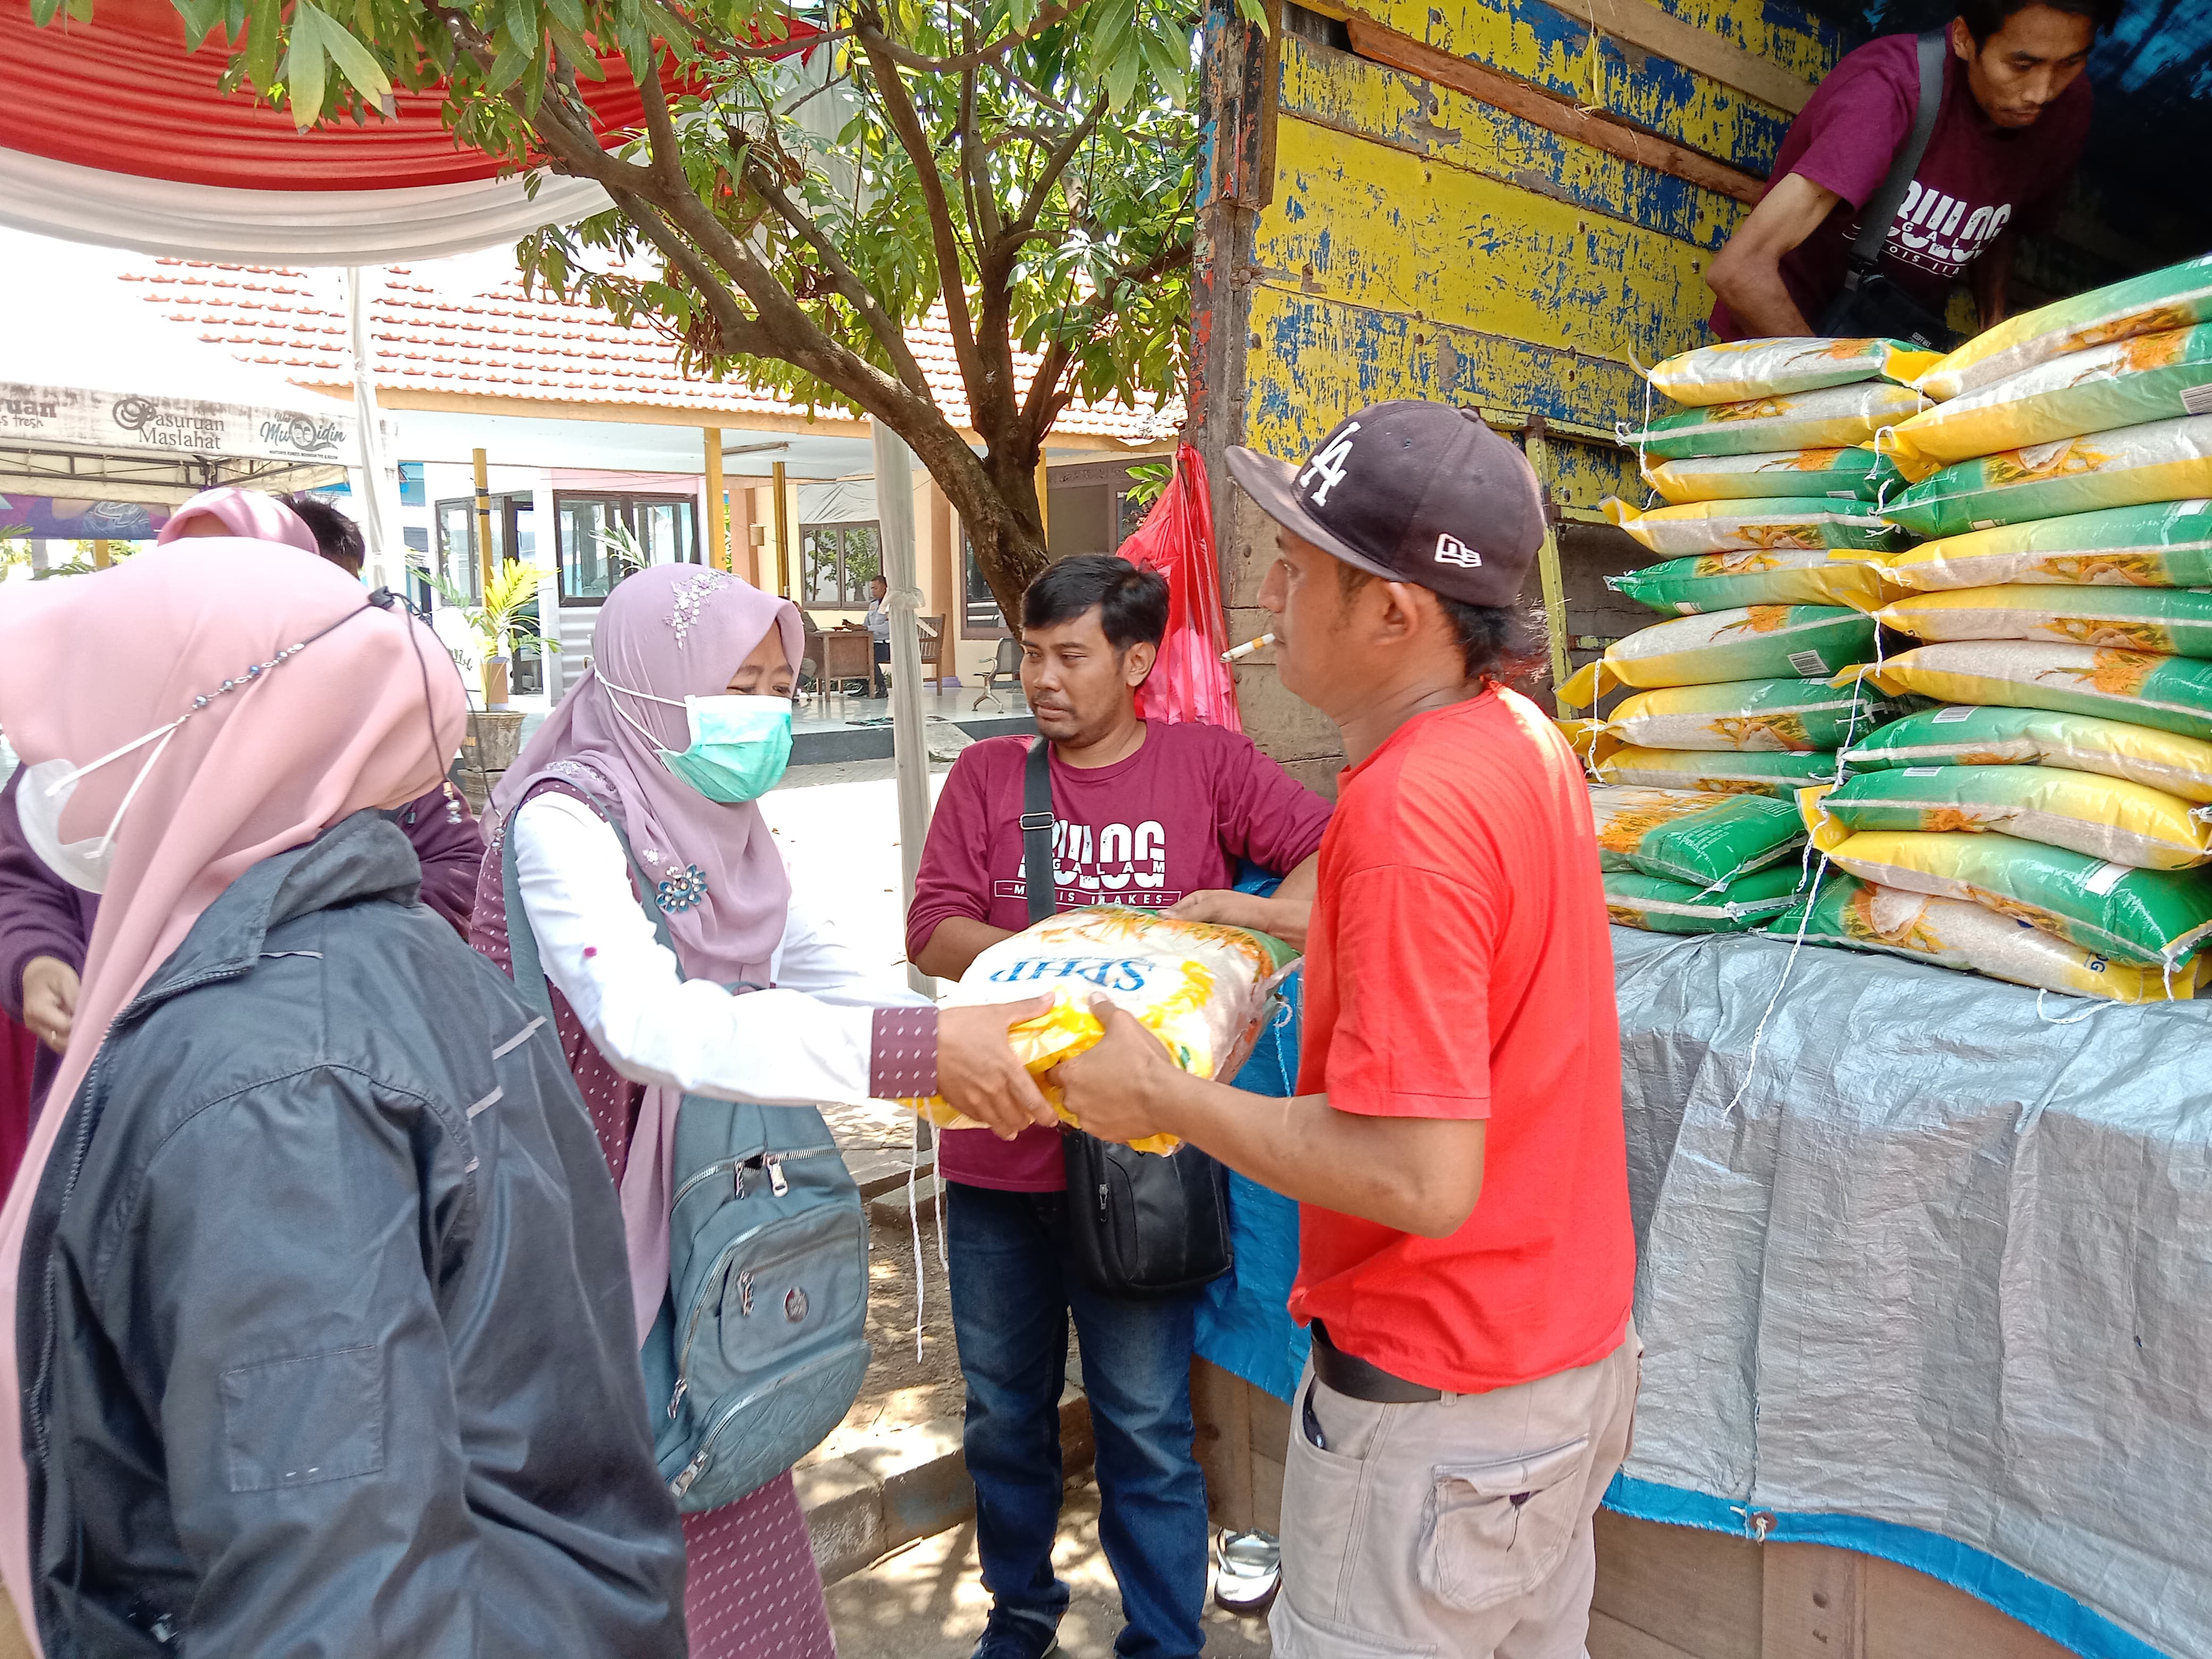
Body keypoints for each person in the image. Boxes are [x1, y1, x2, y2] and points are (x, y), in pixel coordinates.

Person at [0, 541, 687, 1655]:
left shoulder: (271, 1082)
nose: (50, 775)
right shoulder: (380, 950)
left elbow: (338, 1598)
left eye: (86, 726)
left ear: (209, 740)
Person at [1054, 402, 1639, 1659]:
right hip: (1558, 1372)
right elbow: (1476, 946)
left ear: (1395, 612)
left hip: (1439, 1411)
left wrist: (1168, 1098)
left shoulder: (1408, 814)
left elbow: (1416, 1174)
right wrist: (1287, 924)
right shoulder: (1520, 742)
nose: (1269, 586)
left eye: (1301, 563)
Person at [468, 561, 1055, 1659]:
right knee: (613, 1529)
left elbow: (818, 965)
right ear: (653, 680)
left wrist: (1022, 1044)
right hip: (582, 1245)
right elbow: (648, 1022)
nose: (769, 714)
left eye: (780, 685)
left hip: (703, 1237)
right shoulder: (566, 820)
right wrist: (918, 1053)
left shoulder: (722, 822)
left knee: (726, 1463)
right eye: (740, 683)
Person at [907, 554, 1334, 1659]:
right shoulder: (990, 780)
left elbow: (1332, 858)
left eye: (1069, 656)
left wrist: (1248, 948)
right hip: (997, 1160)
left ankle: (1160, 1639)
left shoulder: (1207, 764)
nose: (1041, 678)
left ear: (1137, 661)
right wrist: (1068, 958)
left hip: (1144, 1161)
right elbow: (932, 927)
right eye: (1031, 655)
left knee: (1145, 1426)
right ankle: (1020, 1617)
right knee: (1005, 1417)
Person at [0, 488, 484, 1153]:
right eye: (184, 575)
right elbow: (20, 873)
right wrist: (36, 957)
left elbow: (457, 865)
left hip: (290, 1079)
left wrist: (319, 935)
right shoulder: (92, 734)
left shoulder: (356, 748)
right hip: (101, 1081)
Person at [1705, 0, 2112, 347]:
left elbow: (2004, 220)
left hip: (1897, 345)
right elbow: (1740, 271)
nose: (2041, 92)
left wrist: (1994, 322)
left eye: (2071, 63)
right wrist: (1830, 389)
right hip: (1784, 338)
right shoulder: (1888, 89)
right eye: (2021, 65)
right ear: (1964, 39)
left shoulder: (2067, 110)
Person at [866, 572, 892, 698]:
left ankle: (882, 688)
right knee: (854, 657)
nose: (873, 591)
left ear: (885, 588)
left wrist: (867, 628)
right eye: (872, 588)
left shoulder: (892, 605)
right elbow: (866, 623)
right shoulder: (873, 605)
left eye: (875, 588)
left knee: (870, 658)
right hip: (873, 643)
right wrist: (856, 628)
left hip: (886, 645)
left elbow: (888, 628)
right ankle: (866, 687)